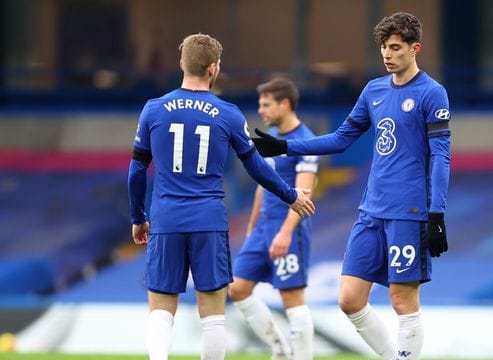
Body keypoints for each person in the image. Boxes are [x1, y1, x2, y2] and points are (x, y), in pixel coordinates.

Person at [252, 12, 450, 360]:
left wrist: (437, 214)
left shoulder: (432, 94)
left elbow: (441, 156)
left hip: (409, 211)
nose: (387, 55)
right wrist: (286, 146)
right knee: (350, 299)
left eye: (395, 48)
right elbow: (342, 138)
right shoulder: (374, 90)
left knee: (402, 299)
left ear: (414, 48)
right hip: (371, 209)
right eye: (383, 48)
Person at [127, 34, 315, 360]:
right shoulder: (227, 113)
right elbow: (256, 166)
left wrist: (137, 217)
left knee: (160, 307)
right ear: (213, 68)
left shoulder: (154, 110)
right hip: (208, 220)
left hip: (167, 218)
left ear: (181, 64)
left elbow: (136, 171)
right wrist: (290, 195)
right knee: (212, 312)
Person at [228, 78, 318, 360]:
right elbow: (262, 184)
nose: (261, 110)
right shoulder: (271, 138)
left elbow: (304, 192)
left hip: (288, 228)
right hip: (263, 227)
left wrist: (285, 232)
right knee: (238, 288)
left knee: (291, 297)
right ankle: (280, 349)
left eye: (266, 105)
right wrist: (253, 224)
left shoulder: (305, 140)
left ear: (285, 104)